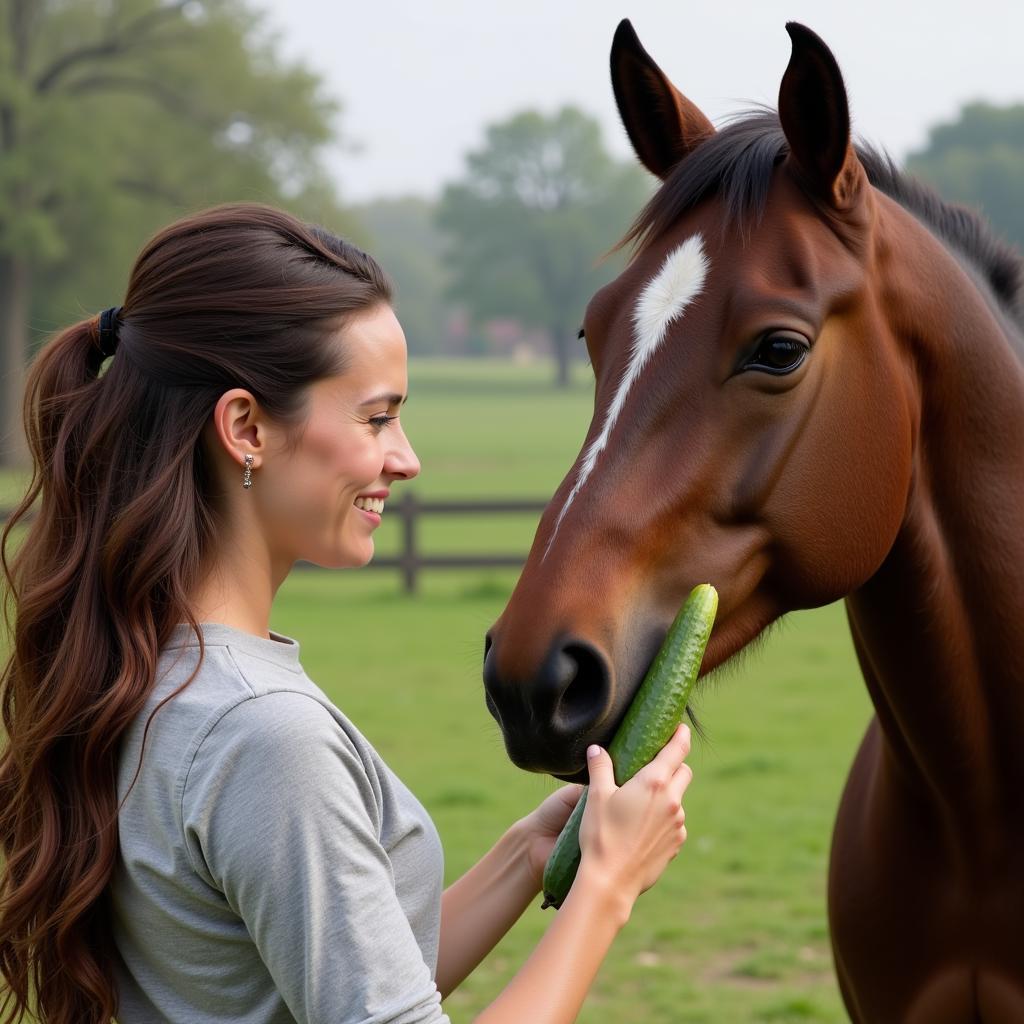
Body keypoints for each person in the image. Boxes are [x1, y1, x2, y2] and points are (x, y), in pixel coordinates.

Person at [0, 203, 694, 1024]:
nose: (406, 458)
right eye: (377, 416)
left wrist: (528, 854)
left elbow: (334, 987)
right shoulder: (264, 736)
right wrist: (606, 890)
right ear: (246, 428)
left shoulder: (150, 670)